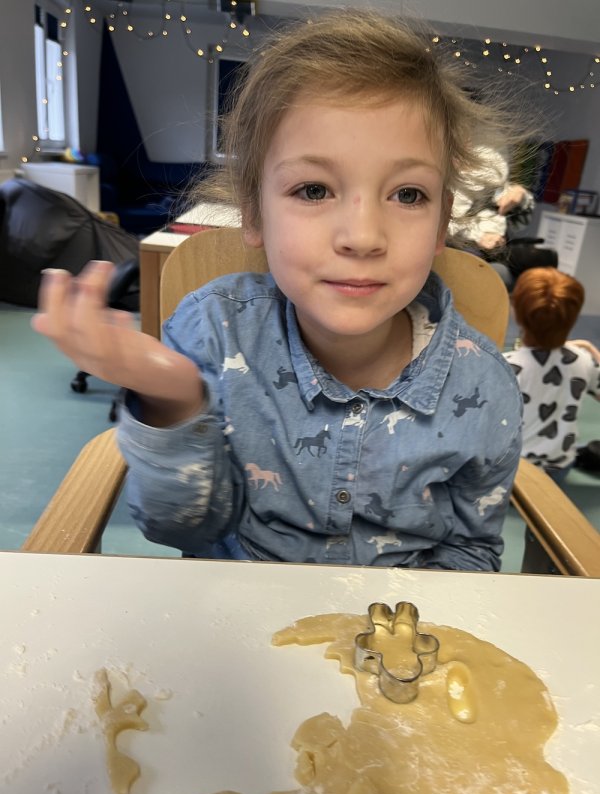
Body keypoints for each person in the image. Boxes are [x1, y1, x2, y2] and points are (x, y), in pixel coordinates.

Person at [33, 11, 525, 571]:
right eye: (313, 189)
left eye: (408, 194)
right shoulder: (211, 333)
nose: (363, 237)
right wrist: (174, 399)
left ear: (441, 224)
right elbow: (180, 529)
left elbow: (471, 551)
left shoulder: (487, 387)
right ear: (254, 214)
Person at [504, 268, 600, 485]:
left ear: (517, 313)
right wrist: (591, 350)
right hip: (559, 468)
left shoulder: (505, 367)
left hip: (513, 472)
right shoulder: (583, 360)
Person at [447, 145, 556, 291]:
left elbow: (521, 218)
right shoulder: (447, 187)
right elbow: (446, 226)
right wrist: (479, 237)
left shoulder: (488, 167)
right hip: (464, 250)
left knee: (535, 263)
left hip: (497, 246)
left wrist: (520, 196)